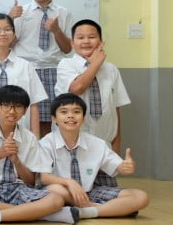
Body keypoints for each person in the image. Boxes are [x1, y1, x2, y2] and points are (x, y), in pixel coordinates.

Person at [0, 85, 78, 225]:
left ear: (25, 110)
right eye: (6, 106)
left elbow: (31, 182)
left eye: (18, 107)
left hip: (18, 188)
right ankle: (39, 214)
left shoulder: (29, 138)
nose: (12, 111)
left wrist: (16, 161)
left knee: (56, 200)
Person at [38, 93, 148, 218]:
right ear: (54, 118)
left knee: (140, 197)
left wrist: (125, 167)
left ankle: (87, 211)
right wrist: (69, 183)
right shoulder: (46, 143)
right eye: (64, 112)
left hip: (90, 192)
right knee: (55, 189)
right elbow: (44, 178)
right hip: (63, 192)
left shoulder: (96, 143)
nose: (70, 116)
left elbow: (117, 166)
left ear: (83, 118)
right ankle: (106, 209)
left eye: (76, 112)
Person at [11, 0, 73, 136]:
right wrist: (10, 18)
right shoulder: (21, 11)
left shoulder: (63, 13)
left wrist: (56, 30)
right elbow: (10, 43)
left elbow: (67, 49)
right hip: (25, 69)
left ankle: (44, 152)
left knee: (48, 121)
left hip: (52, 70)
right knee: (21, 118)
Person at [55, 19, 130, 154]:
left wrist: (116, 147)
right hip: (72, 143)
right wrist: (95, 63)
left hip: (105, 144)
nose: (86, 41)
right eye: (80, 38)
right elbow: (77, 88)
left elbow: (115, 109)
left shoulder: (111, 69)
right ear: (72, 43)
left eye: (92, 37)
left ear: (100, 42)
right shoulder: (66, 64)